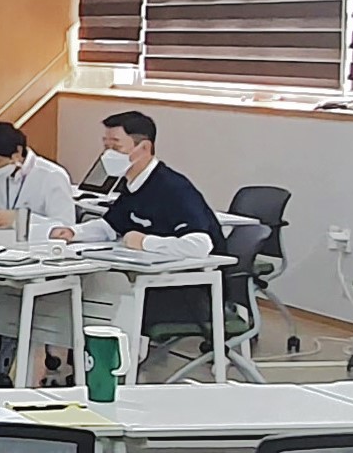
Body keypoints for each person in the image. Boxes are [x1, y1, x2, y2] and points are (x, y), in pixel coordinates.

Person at [47, 110, 223, 378]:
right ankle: (92, 368)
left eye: (116, 147)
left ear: (144, 148)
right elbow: (111, 226)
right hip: (146, 280)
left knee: (105, 294)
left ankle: (114, 372)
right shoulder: (132, 185)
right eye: (106, 146)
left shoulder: (173, 188)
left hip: (186, 291)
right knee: (81, 288)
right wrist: (73, 232)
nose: (108, 154)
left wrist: (145, 242)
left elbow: (200, 244)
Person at [0, 120, 77, 242]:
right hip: (1, 243)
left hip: (39, 245)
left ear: (18, 152)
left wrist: (20, 219)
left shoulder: (52, 175)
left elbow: (65, 226)